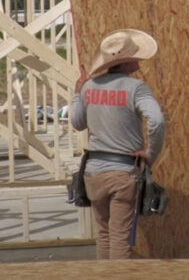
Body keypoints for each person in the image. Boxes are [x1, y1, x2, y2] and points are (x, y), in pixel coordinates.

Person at [71, 28, 165, 260]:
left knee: (103, 234)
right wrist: (150, 153)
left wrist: (77, 95)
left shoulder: (90, 87)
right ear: (125, 63)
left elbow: (77, 123)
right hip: (122, 173)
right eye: (134, 56)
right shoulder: (136, 88)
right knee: (120, 238)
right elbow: (157, 121)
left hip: (93, 172)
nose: (138, 60)